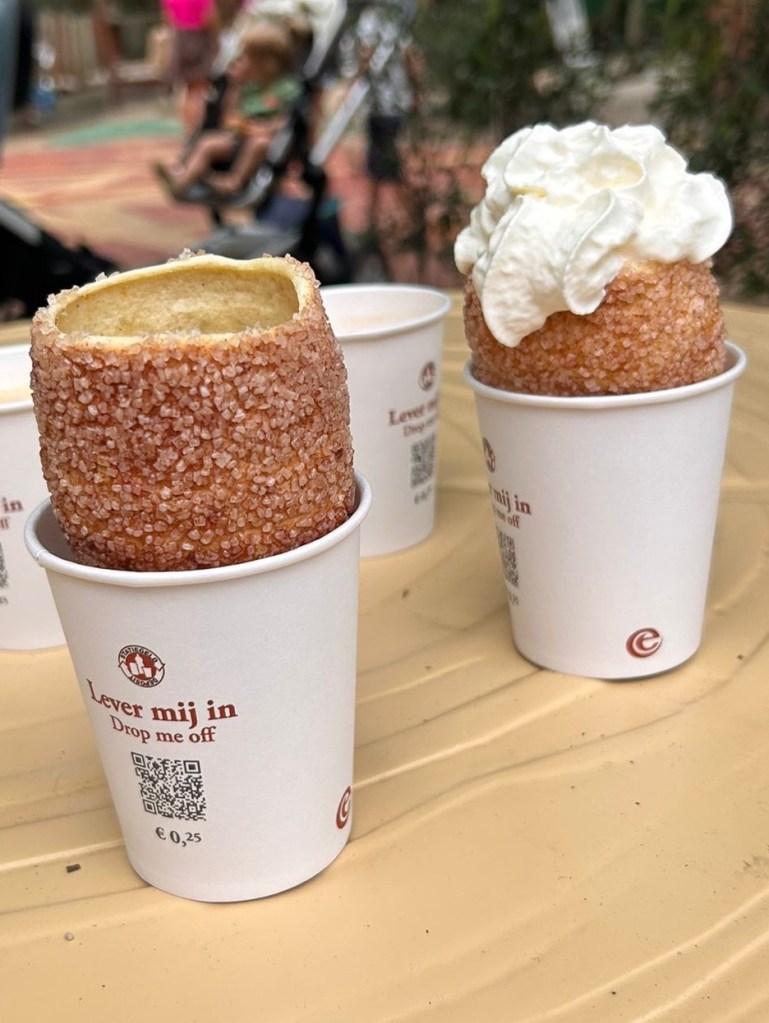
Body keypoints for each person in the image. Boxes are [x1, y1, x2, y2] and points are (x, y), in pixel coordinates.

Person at [154, 20, 301, 198]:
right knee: (208, 144)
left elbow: (289, 119)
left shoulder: (287, 86)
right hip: (239, 138)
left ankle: (234, 182)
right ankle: (182, 181)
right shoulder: (249, 87)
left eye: (250, 59)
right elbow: (230, 116)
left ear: (268, 62)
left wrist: (267, 128)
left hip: (267, 139)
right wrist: (234, 86)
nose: (245, 63)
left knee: (259, 144)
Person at [352, 1, 423, 237]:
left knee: (386, 164)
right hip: (387, 105)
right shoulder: (391, 19)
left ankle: (401, 219)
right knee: (380, 164)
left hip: (384, 105)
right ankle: (376, 221)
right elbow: (411, 58)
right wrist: (416, 90)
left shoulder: (373, 19)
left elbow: (368, 54)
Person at [161, 0, 219, 134]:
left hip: (179, 39)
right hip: (199, 36)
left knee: (187, 90)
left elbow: (167, 18)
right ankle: (197, 127)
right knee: (199, 89)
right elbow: (210, 16)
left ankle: (188, 127)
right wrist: (215, 41)